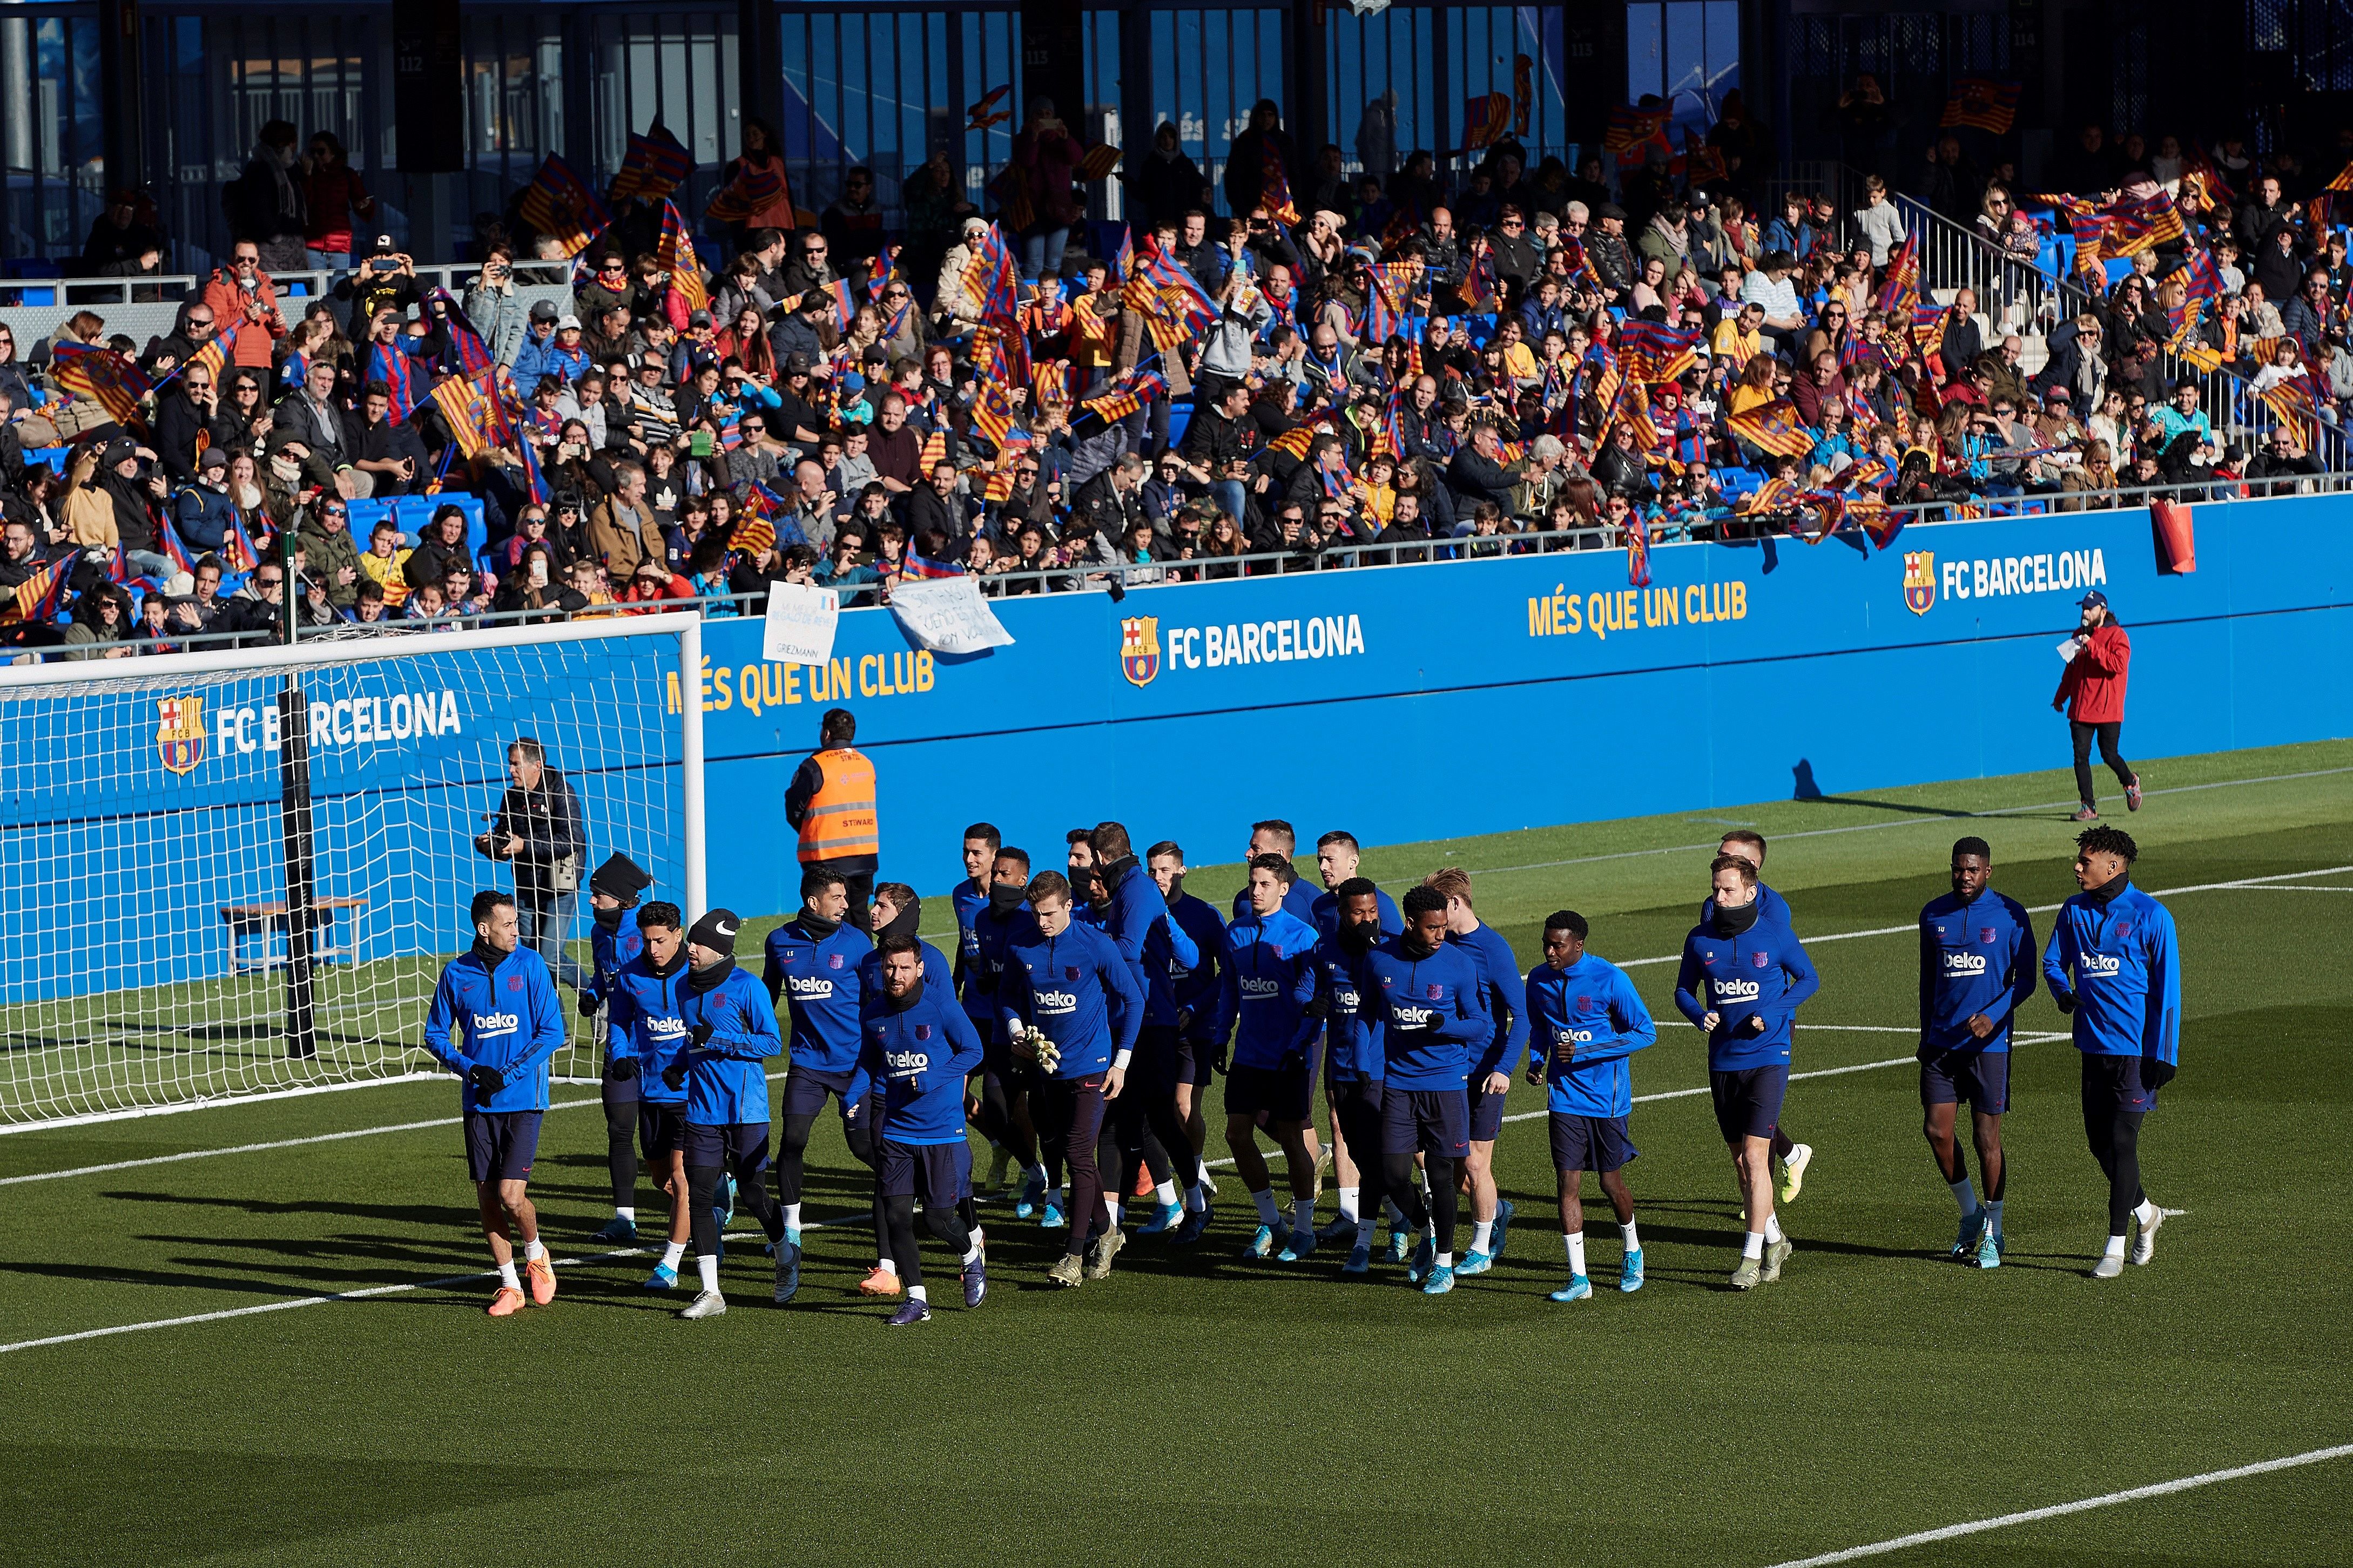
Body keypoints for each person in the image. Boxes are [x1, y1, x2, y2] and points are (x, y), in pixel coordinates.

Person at [420, 890, 567, 1317]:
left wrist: (509, 1073)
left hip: (523, 1099)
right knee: (487, 1195)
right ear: (484, 929)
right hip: (479, 1102)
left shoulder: (532, 965)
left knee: (511, 1196)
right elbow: (434, 1035)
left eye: (516, 924)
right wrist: (470, 1069)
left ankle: (536, 1253)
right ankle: (509, 1285)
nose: (516, 931)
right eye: (508, 925)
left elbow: (552, 1033)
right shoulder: (456, 973)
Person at [1676, 853, 1819, 1290]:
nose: (1719, 897)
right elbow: (1683, 989)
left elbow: (1808, 978)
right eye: (1716, 889)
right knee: (1740, 1164)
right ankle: (1775, 1241)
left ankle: (1749, 1258)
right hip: (1722, 1062)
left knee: (1757, 1159)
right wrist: (1699, 1015)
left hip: (1768, 1058)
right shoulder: (1700, 940)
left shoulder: (1775, 935)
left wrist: (1773, 1013)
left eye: (1728, 890)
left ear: (1750, 891)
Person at [2042, 826, 2180, 1280]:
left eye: (2086, 861)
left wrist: (2164, 1053)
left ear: (2114, 866)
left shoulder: (2151, 915)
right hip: (2090, 1048)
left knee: (2122, 1143)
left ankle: (2114, 1247)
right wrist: (2062, 992)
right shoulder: (2073, 911)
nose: (2077, 867)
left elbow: (2167, 991)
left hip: (2135, 1055)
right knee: (2099, 1145)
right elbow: (2051, 962)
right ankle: (2147, 1213)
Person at [999, 870, 1144, 1288]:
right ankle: (1110, 1233)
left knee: (1080, 1155)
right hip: (1048, 1070)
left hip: (1092, 1067)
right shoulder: (1021, 945)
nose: (1042, 922)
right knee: (1066, 1150)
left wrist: (1120, 1063)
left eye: (1049, 914)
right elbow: (1007, 997)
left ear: (1067, 906)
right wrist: (1015, 1033)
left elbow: (1132, 999)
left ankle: (1073, 1255)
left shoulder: (1094, 944)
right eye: (1035, 913)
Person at [1355, 883, 1490, 1295]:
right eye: (1432, 928)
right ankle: (1426, 1232)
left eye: (1444, 927)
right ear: (1410, 924)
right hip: (1397, 1083)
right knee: (1394, 1174)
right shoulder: (1379, 959)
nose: (1441, 935)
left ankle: (1444, 1264)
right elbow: (1366, 1013)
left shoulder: (1458, 964)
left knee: (1442, 1175)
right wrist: (1363, 1062)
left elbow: (1480, 1025)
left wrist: (1443, 1026)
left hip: (1446, 1086)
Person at [1918, 837, 2038, 1269]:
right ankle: (1970, 1213)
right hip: (1940, 1044)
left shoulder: (2010, 915)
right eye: (1957, 869)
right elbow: (1927, 980)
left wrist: (1993, 1015)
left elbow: (2025, 979)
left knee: (1987, 1138)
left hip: (1989, 1047)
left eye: (1972, 870)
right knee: (1936, 1132)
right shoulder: (1932, 914)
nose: (1964, 877)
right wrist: (1923, 1033)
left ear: (1987, 871)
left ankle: (1994, 1230)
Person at [666, 908, 791, 1319]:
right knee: (699, 1196)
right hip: (702, 1112)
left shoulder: (748, 987)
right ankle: (711, 1293)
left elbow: (772, 1045)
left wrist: (718, 1038)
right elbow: (693, 1042)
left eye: (698, 944)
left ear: (719, 950)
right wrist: (679, 1066)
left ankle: (786, 1254)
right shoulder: (683, 988)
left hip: (746, 1111)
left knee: (754, 1194)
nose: (691, 949)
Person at [1525, 909, 1656, 1302]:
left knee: (1609, 1183)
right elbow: (1539, 1027)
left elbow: (1645, 1033)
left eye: (1557, 945)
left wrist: (1585, 1049)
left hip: (1606, 1099)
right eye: (1546, 943)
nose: (1549, 951)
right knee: (1567, 1183)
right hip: (1564, 1097)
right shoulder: (1538, 980)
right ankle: (1578, 1278)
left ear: (1577, 945)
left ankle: (1632, 1249)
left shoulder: (1610, 979)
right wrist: (1536, 1061)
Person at [762, 866, 880, 1303]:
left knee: (864, 1148)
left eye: (846, 896)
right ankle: (791, 1228)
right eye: (837, 897)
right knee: (791, 1140)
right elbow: (767, 994)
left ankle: (914, 1188)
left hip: (852, 1065)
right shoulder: (779, 941)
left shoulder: (855, 942)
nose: (846, 904)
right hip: (807, 1064)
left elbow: (873, 1004)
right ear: (813, 902)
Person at [860, 933, 990, 1324]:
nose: (896, 974)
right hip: (897, 1130)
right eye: (889, 967)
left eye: (904, 967)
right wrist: (853, 1096)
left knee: (937, 1220)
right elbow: (869, 1061)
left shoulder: (941, 1005)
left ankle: (970, 1254)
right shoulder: (873, 1013)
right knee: (897, 1215)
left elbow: (974, 1051)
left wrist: (934, 1079)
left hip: (942, 1132)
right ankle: (917, 1299)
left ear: (918, 968)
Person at [1087, 821, 1199, 1239]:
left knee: (1157, 1121)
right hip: (1136, 1019)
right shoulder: (1137, 889)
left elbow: (1127, 951)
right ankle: (1113, 1224)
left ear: (1100, 859)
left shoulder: (1135, 889)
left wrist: (1080, 948)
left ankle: (1193, 1205)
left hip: (1149, 1022)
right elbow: (1186, 956)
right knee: (1119, 1119)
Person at [1212, 853, 1325, 1261]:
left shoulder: (1303, 938)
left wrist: (1302, 1045)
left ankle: (1304, 1230)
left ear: (1283, 888)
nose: (1255, 891)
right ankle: (1271, 1221)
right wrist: (1220, 1035)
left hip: (1288, 1055)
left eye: (1264, 885)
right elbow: (1229, 990)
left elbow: (1315, 1003)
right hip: (1248, 1054)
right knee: (1236, 1135)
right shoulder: (1234, 934)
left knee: (1293, 1140)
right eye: (1252, 883)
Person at [1424, 867, 1526, 1275]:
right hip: (1444, 1071)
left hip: (1485, 1072)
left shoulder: (1492, 948)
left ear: (1454, 904)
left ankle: (1481, 1248)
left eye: (1436, 910)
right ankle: (1497, 1209)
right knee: (1439, 1164)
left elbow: (1522, 1016)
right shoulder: (1437, 943)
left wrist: (1503, 1068)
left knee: (1474, 1164)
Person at [1704, 830, 1816, 1200]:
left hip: (1769, 1022)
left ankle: (1760, 1208)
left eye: (1726, 855)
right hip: (1729, 1023)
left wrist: (1771, 1013)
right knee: (1744, 1114)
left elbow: (1784, 968)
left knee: (1755, 1120)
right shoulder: (1712, 904)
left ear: (1750, 868)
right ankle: (1790, 1156)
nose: (1717, 860)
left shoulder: (1775, 910)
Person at [605, 901, 697, 1290]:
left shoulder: (698, 977)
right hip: (651, 1093)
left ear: (678, 935)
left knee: (682, 1178)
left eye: (660, 940)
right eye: (647, 941)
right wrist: (621, 1054)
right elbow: (619, 1022)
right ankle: (714, 1201)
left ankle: (669, 1265)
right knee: (662, 1179)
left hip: (692, 1094)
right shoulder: (630, 976)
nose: (653, 948)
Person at [1148, 839, 1229, 1240]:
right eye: (1153, 871)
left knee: (1182, 1105)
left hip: (1195, 1027)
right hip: (1157, 1025)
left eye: (1166, 870)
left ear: (1182, 870)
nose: (1159, 877)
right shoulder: (1142, 913)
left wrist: (1196, 1009)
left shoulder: (1202, 915)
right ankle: (1193, 1181)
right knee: (1160, 1109)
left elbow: (1225, 973)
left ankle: (1193, 1173)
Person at [1318, 877, 1397, 1274]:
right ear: (1342, 914)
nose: (1368, 920)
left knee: (1387, 1161)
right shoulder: (1325, 950)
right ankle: (1402, 1221)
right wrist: (1310, 1003)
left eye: (1373, 913)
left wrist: (1375, 958)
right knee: (1364, 1157)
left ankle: (1368, 1243)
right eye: (1359, 913)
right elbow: (1307, 990)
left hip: (1382, 1072)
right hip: (1340, 1070)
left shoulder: (1388, 953)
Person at [580, 853, 652, 1243]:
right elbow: (603, 975)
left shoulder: (645, 936)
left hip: (658, 1051)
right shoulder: (598, 934)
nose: (591, 901)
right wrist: (593, 995)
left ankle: (716, 1185)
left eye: (599, 895)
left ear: (623, 899)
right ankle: (625, 1218)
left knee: (661, 1145)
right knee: (620, 1131)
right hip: (620, 1046)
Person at [479, 737, 588, 992]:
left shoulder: (560, 792)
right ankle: (557, 1029)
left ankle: (594, 996)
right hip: (527, 888)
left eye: (516, 765)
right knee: (530, 959)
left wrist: (524, 845)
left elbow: (572, 839)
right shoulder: (511, 797)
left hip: (559, 887)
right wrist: (490, 844)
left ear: (536, 765)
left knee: (550, 956)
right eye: (510, 764)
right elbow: (506, 839)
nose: (511, 770)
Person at [785, 706, 880, 928]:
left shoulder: (815, 766)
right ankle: (866, 962)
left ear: (827, 733)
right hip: (865, 858)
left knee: (831, 922)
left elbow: (793, 809)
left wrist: (813, 829)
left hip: (827, 858)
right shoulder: (866, 764)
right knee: (859, 916)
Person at [2055, 589, 2140, 821]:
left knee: (2109, 754)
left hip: (2107, 709)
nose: (2084, 612)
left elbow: (2117, 665)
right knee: (2080, 757)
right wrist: (2060, 697)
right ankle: (2088, 807)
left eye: (2089, 609)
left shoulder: (2117, 636)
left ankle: (2130, 782)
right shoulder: (2078, 635)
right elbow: (2070, 671)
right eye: (2083, 608)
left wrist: (2091, 646)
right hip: (2081, 710)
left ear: (2102, 611)